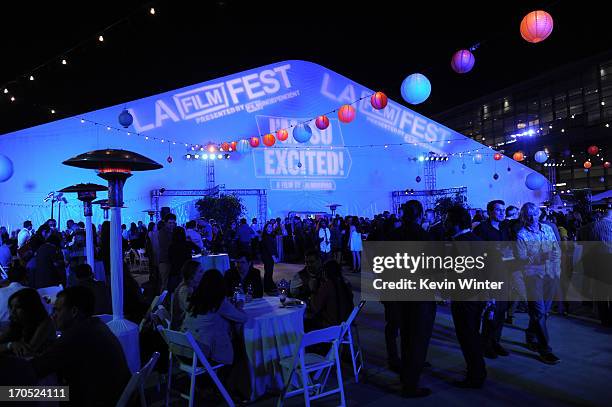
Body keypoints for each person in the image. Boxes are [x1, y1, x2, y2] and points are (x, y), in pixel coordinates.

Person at [30, 286, 131, 406]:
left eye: (57, 310)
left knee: (11, 394)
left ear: (73, 312)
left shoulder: (74, 336)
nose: (53, 315)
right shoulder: (95, 325)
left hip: (91, 398)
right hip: (112, 394)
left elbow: (35, 369)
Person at [396, 200, 436, 398]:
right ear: (420, 214)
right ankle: (411, 385)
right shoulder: (422, 236)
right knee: (418, 340)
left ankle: (406, 377)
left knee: (406, 338)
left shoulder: (395, 234)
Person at [445, 205, 487, 389]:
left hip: (465, 298)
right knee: (472, 335)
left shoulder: (459, 243)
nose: (445, 224)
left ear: (455, 223)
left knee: (467, 337)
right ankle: (477, 371)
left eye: (448, 220)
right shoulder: (476, 239)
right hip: (477, 297)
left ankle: (475, 375)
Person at [516, 202, 561, 365]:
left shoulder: (548, 229)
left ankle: (530, 334)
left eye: (534, 214)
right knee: (540, 312)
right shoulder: (522, 234)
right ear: (524, 217)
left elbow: (556, 250)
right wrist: (541, 256)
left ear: (539, 214)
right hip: (533, 277)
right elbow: (521, 258)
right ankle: (545, 350)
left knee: (543, 312)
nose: (532, 217)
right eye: (528, 215)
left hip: (550, 275)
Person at [182, 269, 248, 365]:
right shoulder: (218, 302)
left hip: (185, 351)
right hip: (203, 355)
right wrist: (239, 307)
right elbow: (243, 318)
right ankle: (234, 376)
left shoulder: (195, 299)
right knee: (238, 344)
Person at [473, 200, 511, 359]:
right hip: (489, 275)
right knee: (491, 311)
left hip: (504, 273)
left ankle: (496, 341)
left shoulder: (505, 228)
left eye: (503, 210)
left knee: (502, 311)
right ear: (489, 212)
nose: (502, 213)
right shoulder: (482, 229)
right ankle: (486, 344)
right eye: (498, 210)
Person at [0, 288, 56, 357]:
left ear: (30, 307)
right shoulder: (18, 324)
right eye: (11, 307)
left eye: (18, 307)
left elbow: (27, 351)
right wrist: (10, 345)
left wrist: (10, 346)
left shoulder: (45, 323)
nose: (12, 311)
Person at [307, 260, 353, 331]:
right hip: (344, 325)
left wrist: (313, 290)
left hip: (330, 326)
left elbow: (315, 308)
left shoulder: (328, 285)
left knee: (304, 321)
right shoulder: (345, 284)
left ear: (325, 272)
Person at [172, 260, 204, 329]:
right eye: (200, 272)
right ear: (192, 274)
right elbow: (192, 310)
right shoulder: (184, 289)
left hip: (188, 325)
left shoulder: (190, 286)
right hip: (182, 329)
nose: (203, 274)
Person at [260, 222, 278, 294]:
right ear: (266, 228)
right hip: (268, 257)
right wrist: (274, 257)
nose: (270, 227)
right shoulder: (266, 236)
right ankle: (267, 288)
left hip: (267, 256)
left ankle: (270, 286)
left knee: (269, 272)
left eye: (271, 226)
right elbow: (270, 248)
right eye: (269, 226)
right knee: (268, 272)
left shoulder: (268, 236)